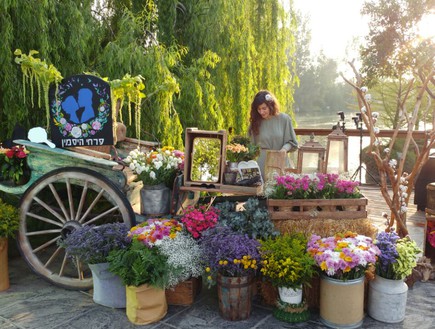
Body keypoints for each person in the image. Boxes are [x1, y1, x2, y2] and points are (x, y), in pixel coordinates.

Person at [248, 90, 298, 179]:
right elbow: (250, 147)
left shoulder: (284, 119)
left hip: (280, 160)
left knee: (282, 190)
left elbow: (292, 142)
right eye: (258, 109)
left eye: (264, 108)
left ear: (271, 106)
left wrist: (284, 149)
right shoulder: (255, 123)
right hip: (262, 164)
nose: (261, 112)